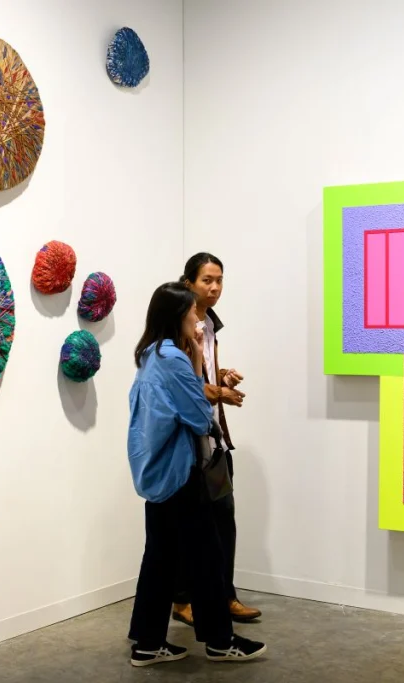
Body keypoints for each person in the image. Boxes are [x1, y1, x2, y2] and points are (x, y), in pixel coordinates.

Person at [126, 282, 266, 667]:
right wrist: (206, 382)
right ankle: (220, 641)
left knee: (160, 559)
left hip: (158, 473)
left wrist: (202, 367)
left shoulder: (150, 355)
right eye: (192, 312)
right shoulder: (173, 358)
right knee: (206, 558)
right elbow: (199, 416)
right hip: (181, 474)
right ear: (178, 316)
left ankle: (147, 642)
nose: (198, 319)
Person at [170, 253, 262, 628]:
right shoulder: (178, 326)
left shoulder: (208, 324)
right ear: (188, 283)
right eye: (207, 280)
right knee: (189, 525)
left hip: (213, 439)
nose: (215, 287)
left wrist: (221, 376)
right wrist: (218, 392)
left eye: (219, 280)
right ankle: (182, 599)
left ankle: (225, 595)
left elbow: (202, 373)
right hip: (188, 442)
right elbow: (184, 384)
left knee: (223, 520)